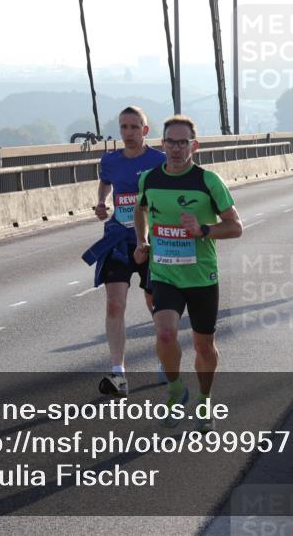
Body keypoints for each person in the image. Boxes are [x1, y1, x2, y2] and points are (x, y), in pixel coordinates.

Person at [133, 115, 243, 431]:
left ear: (194, 145)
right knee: (165, 333)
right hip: (164, 274)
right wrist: (142, 240)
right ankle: (175, 391)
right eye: (171, 142)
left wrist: (204, 230)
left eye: (183, 143)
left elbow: (236, 227)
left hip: (201, 277)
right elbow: (140, 210)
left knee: (203, 346)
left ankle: (205, 398)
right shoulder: (150, 179)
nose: (177, 149)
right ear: (162, 144)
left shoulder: (208, 181)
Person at [83, 107, 166, 397]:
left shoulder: (160, 160)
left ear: (145, 131)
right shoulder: (110, 160)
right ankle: (119, 373)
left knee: (155, 302)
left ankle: (164, 357)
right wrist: (101, 202)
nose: (128, 132)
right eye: (123, 127)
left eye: (134, 127)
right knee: (114, 304)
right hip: (118, 239)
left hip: (152, 241)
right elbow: (106, 181)